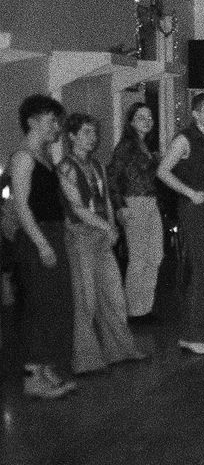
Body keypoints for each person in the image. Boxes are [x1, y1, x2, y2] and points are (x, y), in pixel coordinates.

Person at [59, 113, 146, 373]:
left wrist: (111, 226)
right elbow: (75, 206)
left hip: (100, 234)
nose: (92, 138)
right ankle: (86, 359)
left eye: (94, 132)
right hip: (80, 234)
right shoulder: (66, 167)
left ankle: (120, 349)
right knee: (86, 299)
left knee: (113, 294)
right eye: (86, 132)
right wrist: (105, 226)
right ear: (72, 136)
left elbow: (105, 198)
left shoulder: (96, 165)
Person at [157, 93, 204, 355]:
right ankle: (191, 335)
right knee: (201, 269)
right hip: (195, 208)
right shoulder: (184, 139)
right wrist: (190, 193)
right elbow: (163, 171)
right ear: (195, 113)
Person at [11, 95, 76, 398]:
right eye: (52, 120)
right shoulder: (23, 157)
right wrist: (41, 244)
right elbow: (21, 207)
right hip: (38, 236)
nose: (56, 127)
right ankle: (32, 377)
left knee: (56, 304)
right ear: (33, 121)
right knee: (40, 305)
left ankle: (46, 368)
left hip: (53, 232)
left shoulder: (44, 157)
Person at [107, 103, 162, 321]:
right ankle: (133, 310)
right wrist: (120, 206)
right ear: (131, 121)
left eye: (149, 117)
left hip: (150, 201)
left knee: (155, 256)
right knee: (139, 257)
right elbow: (112, 178)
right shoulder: (126, 146)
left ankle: (145, 307)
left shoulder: (146, 145)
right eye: (141, 117)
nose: (147, 120)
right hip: (134, 201)